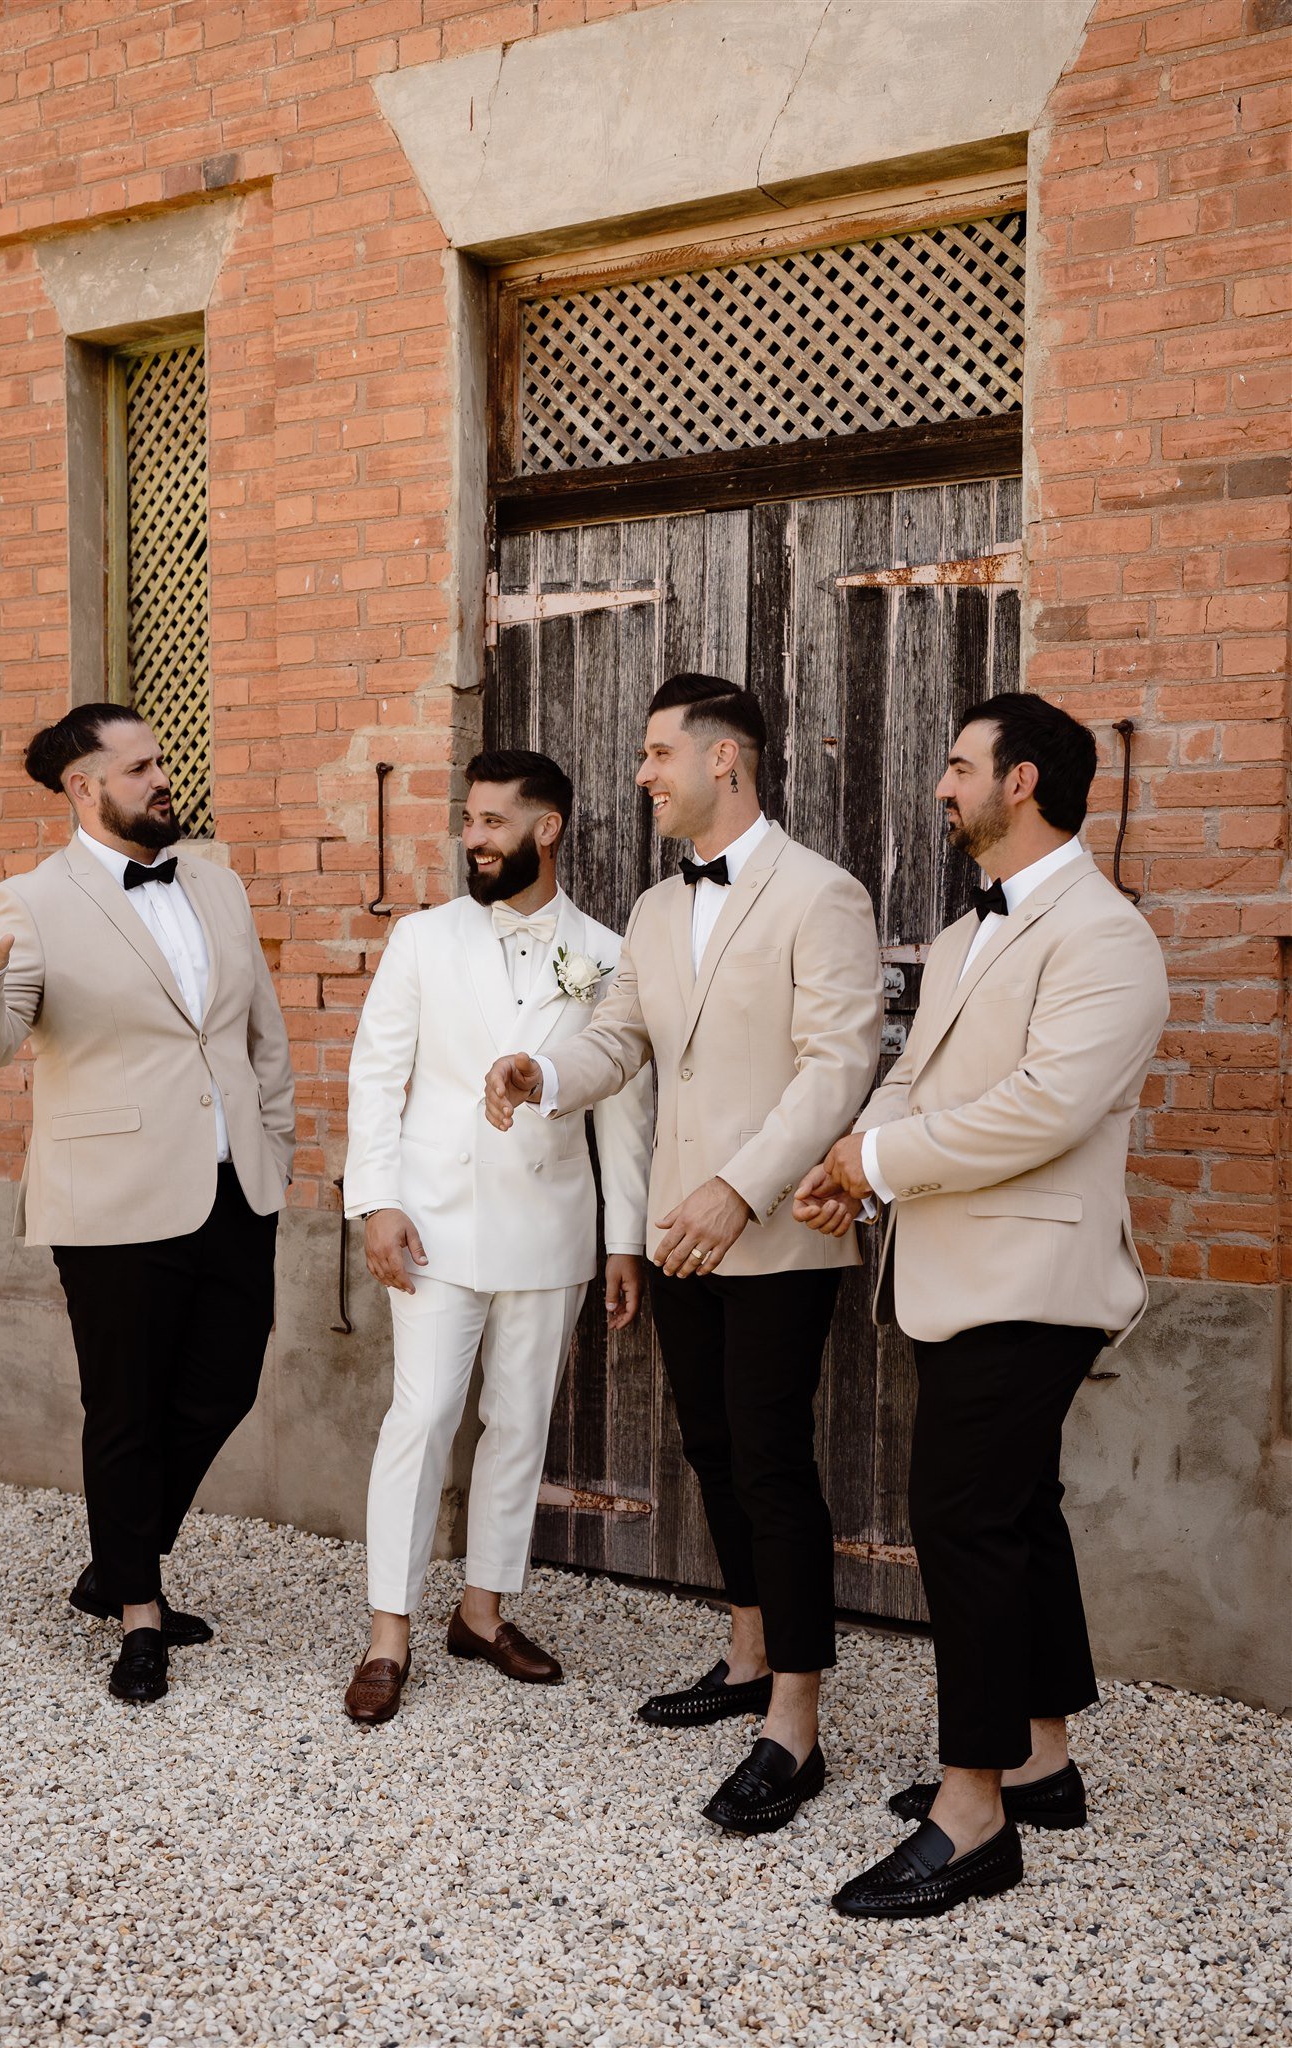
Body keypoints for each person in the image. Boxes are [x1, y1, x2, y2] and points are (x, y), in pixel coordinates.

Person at [485, 675, 883, 1834]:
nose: (643, 772)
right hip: (678, 1233)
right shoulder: (658, 909)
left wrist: (739, 1187)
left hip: (776, 1231)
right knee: (711, 1447)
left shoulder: (823, 893)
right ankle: (749, 1652)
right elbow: (618, 1036)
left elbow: (837, 1064)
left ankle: (796, 1725)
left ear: (726, 759)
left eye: (660, 752)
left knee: (772, 1461)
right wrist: (543, 1072)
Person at [793, 691, 1169, 1918]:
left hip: (1034, 1280)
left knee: (962, 1521)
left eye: (960, 765)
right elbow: (916, 1076)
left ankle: (973, 1814)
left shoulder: (1106, 935)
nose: (942, 784)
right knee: (1016, 1508)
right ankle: (1040, 1758)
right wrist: (852, 1161)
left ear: (1022, 781)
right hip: (954, 1269)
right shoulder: (967, 932)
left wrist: (879, 1161)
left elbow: (1045, 1107)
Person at [0, 704, 294, 1706]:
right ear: (84, 786)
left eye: (160, 760)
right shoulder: (31, 900)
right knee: (126, 1405)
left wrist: (275, 1147)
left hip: (235, 1188)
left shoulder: (216, 884)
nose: (160, 777)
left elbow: (260, 1035)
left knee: (225, 1387)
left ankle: (114, 1559)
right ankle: (138, 1609)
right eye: (137, 767)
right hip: (111, 1200)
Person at [341, 749, 651, 1727]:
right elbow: (375, 1074)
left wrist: (623, 1240)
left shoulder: (606, 953)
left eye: (491, 821)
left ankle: (482, 1611)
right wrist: (374, 1201)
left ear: (545, 829)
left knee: (520, 1423)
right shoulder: (422, 939)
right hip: (431, 1219)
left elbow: (624, 1111)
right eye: (467, 820)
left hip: (549, 1224)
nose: (471, 837)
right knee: (424, 1414)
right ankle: (388, 1632)